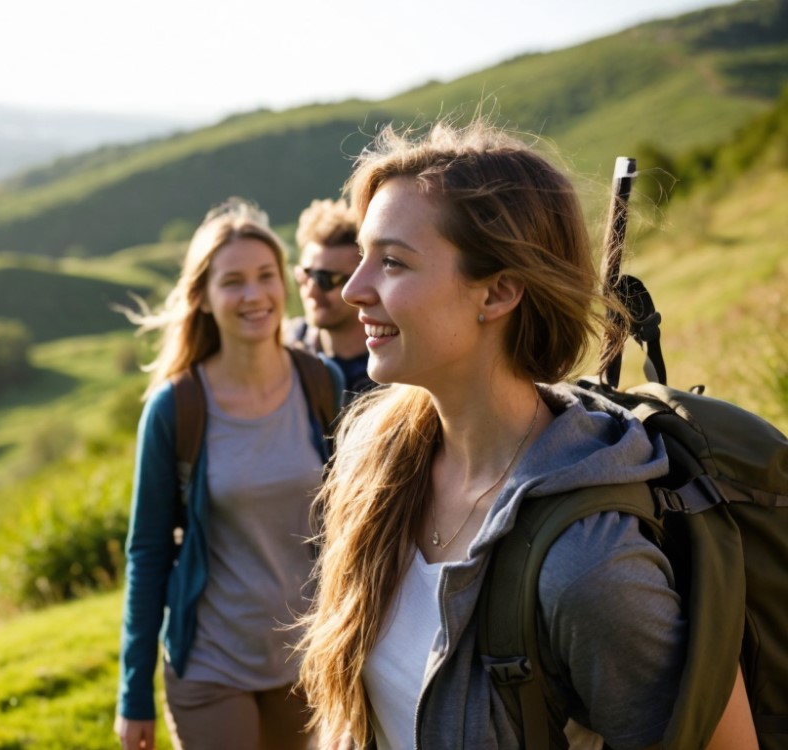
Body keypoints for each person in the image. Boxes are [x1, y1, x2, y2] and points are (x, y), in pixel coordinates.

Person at [296, 122, 758, 749]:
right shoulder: (375, 460)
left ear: (499, 292)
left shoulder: (588, 566)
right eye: (361, 259)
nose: (354, 291)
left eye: (393, 263)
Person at [115, 197, 343, 750]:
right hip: (213, 661)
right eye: (233, 281)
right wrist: (133, 694)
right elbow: (147, 553)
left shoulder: (323, 384)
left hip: (307, 659)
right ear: (204, 298)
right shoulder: (176, 409)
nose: (253, 295)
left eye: (265, 276)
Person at [288, 198, 374, 401]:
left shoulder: (396, 370)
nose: (311, 289)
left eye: (325, 279)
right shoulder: (286, 350)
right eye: (305, 275)